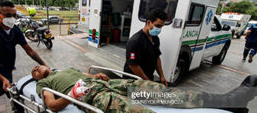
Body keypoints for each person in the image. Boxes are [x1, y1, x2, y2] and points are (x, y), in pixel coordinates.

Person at [32, 65, 257, 113]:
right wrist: (72, 96)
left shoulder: (67, 68)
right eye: (33, 70)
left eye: (37, 65)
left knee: (164, 94)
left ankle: (230, 101)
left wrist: (95, 75)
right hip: (94, 96)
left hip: (110, 84)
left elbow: (89, 76)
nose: (35, 68)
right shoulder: (44, 84)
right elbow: (52, 106)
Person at [0, 1, 48, 113]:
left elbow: (30, 51)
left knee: (4, 88)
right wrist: (3, 79)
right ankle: (19, 110)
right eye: (8, 15)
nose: (12, 18)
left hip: (7, 66)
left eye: (14, 15)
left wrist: (45, 65)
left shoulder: (15, 30)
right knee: (12, 90)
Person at [123, 9, 168, 86]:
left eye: (161, 26)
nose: (159, 29)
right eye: (157, 26)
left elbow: (156, 57)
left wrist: (162, 76)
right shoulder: (135, 41)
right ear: (148, 22)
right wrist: (146, 81)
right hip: (134, 81)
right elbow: (133, 65)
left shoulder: (155, 38)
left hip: (147, 77)